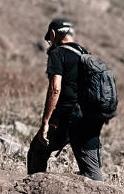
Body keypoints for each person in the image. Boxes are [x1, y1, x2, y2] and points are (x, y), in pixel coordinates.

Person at [26, 18, 105, 181]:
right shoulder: (86, 54)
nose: (50, 42)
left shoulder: (58, 53)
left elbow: (55, 87)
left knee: (38, 150)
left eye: (50, 38)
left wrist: (46, 121)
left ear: (54, 34)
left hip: (66, 115)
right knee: (92, 171)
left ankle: (33, 191)